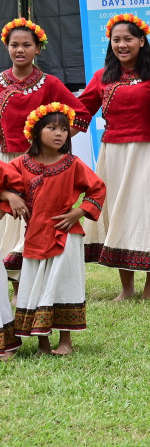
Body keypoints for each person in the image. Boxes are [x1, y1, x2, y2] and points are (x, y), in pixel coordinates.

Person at [5, 104, 105, 356]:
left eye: (63, 128)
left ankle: (66, 342)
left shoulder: (72, 163)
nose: (60, 133)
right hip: (35, 236)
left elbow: (97, 189)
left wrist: (78, 212)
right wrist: (10, 196)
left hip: (66, 234)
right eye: (52, 128)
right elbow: (1, 179)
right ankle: (42, 343)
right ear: (36, 131)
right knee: (36, 285)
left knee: (64, 284)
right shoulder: (20, 164)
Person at [79, 13, 150, 300]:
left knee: (145, 212)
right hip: (112, 152)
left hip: (146, 150)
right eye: (116, 40)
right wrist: (47, 123)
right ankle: (126, 288)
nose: (122, 44)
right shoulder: (103, 77)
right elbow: (80, 110)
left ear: (142, 41)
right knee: (115, 213)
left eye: (128, 38)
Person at [0, 17, 89, 294]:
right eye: (14, 44)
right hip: (5, 161)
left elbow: (82, 114)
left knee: (33, 223)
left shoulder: (49, 83)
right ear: (7, 46)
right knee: (7, 225)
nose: (20, 50)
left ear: (38, 48)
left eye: (27, 45)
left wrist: (51, 145)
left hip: (35, 165)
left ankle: (27, 288)